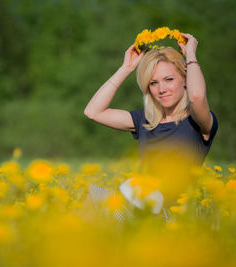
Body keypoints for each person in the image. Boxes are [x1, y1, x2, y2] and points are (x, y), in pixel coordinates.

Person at [83, 33, 218, 221]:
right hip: (138, 206)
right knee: (92, 197)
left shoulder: (198, 122)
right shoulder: (144, 120)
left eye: (169, 79)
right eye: (154, 83)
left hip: (170, 217)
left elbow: (196, 97)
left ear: (185, 80)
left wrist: (191, 56)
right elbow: (93, 111)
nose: (161, 89)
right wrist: (126, 68)